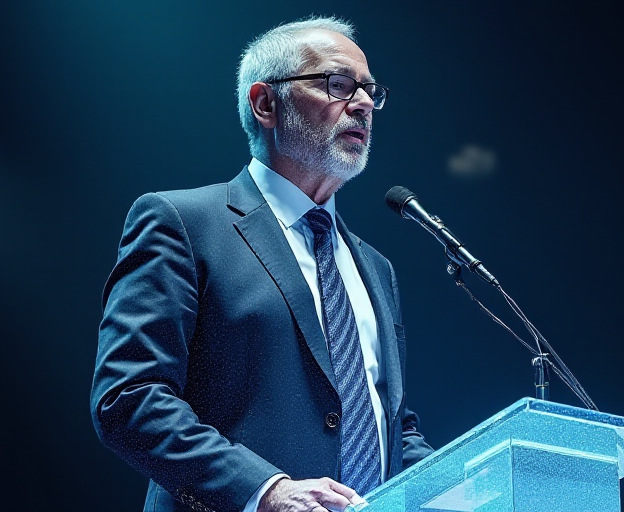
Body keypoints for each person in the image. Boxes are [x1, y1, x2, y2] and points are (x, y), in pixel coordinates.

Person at [90, 16, 433, 512]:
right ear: (265, 103)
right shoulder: (183, 223)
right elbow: (129, 397)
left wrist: (456, 483)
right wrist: (264, 490)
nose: (361, 103)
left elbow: (391, 423)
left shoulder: (376, 268)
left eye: (369, 90)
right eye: (338, 84)